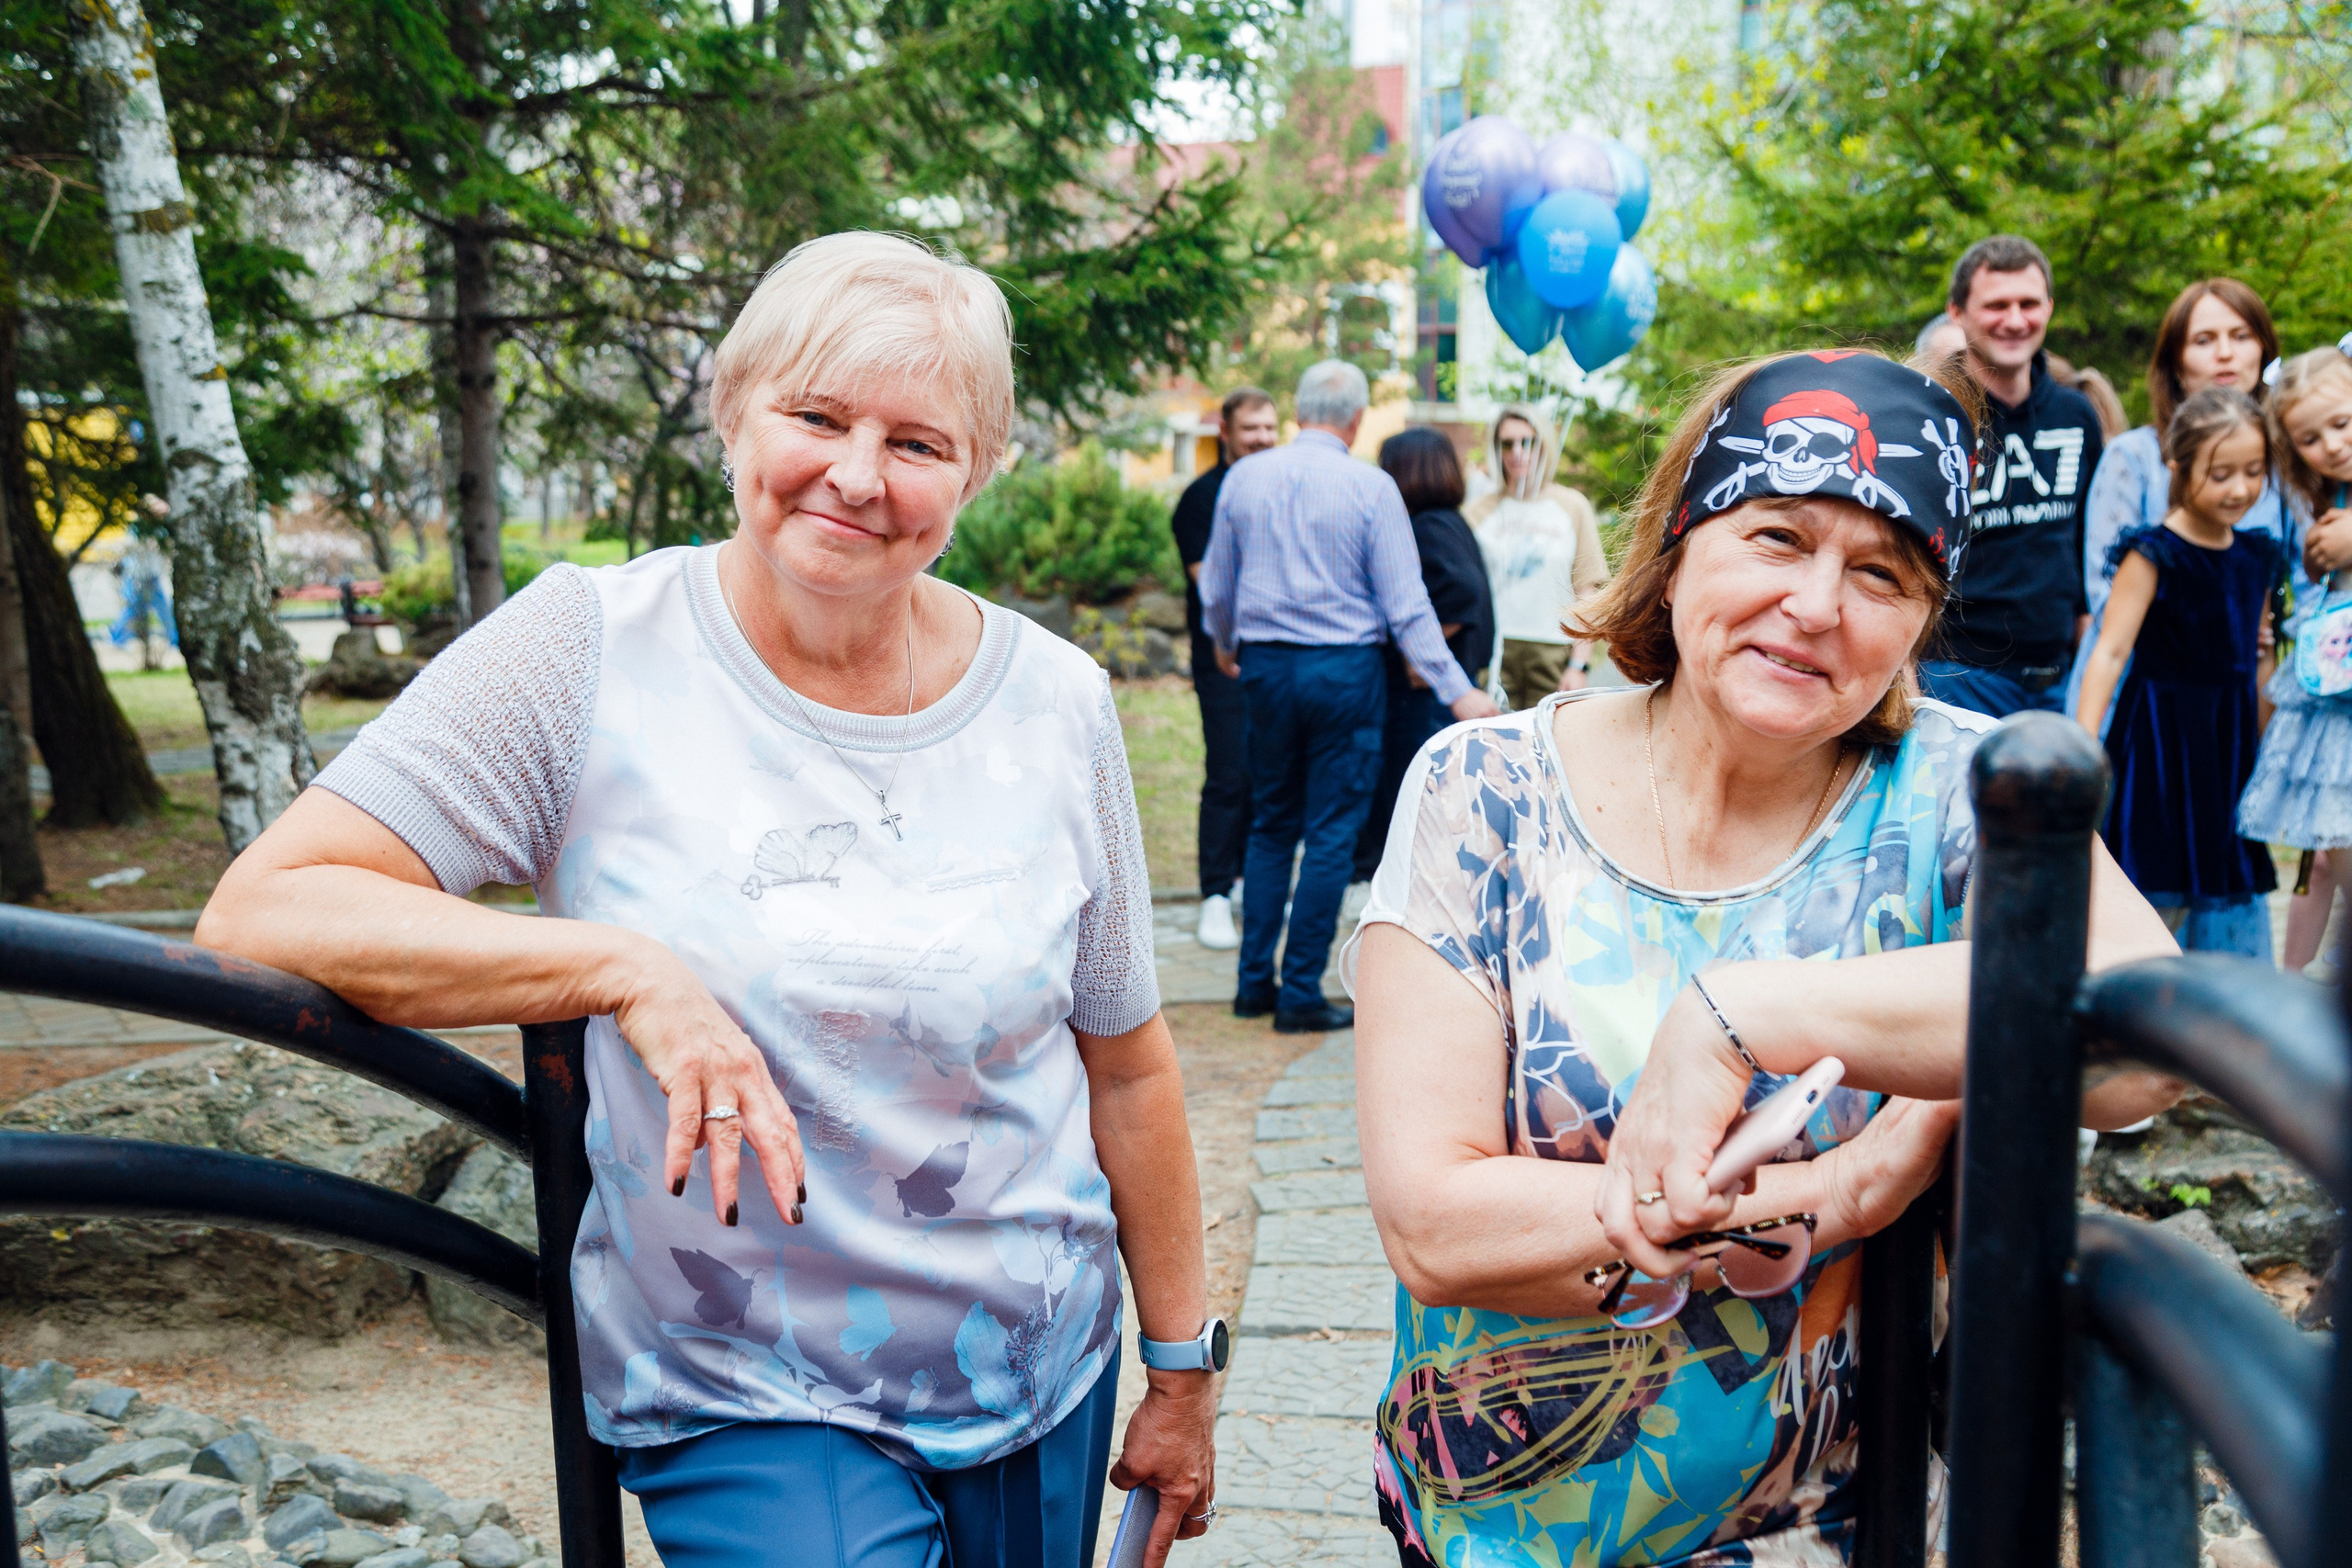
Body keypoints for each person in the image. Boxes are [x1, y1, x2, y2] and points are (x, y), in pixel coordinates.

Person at [195, 232, 1219, 1568]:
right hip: (745, 1375)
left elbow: (1126, 1066)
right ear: (734, 412)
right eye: (815, 417)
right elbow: (271, 904)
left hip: (1035, 1369)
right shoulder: (591, 650)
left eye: (917, 441)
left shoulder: (1057, 699)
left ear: (975, 470)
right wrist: (623, 969)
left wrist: (1184, 1370)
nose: (858, 475)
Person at [1346, 347, 2182, 1567]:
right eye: (1777, 537)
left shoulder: (1956, 786)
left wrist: (1749, 1011)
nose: (1816, 604)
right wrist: (1818, 1197)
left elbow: (2142, 1040)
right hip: (1510, 1525)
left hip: (1837, 1523)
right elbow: (1439, 1221)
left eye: (1880, 572)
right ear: (1681, 537)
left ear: (1920, 618)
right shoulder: (1485, 790)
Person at [1198, 359, 1498, 1035]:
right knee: (1331, 831)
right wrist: (1459, 691)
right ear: (1357, 420)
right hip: (1345, 672)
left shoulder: (1244, 477)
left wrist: (1224, 642)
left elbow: (1216, 581)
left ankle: (1254, 984)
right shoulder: (1371, 487)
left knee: (1271, 820)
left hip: (1268, 667)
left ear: (1299, 409)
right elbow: (1407, 605)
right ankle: (1301, 989)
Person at [2075, 388, 2279, 955]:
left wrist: (2260, 746)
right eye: (2220, 474)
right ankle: (2114, 1012)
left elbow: (2257, 658)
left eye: (2254, 471)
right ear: (2178, 467)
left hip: (2226, 747)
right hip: (2161, 745)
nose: (2239, 488)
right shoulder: (2152, 552)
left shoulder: (2258, 555)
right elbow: (2111, 650)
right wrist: (2085, 745)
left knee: (2208, 894)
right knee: (2151, 895)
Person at [2071, 280, 2285, 726]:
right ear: (2176, 366)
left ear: (2264, 352)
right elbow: (2107, 595)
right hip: (2143, 699)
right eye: (2204, 340)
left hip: (2236, 701)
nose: (2225, 353)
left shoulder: (2286, 463)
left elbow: (2297, 578)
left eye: (2241, 336)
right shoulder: (2133, 456)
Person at [1917, 234, 2107, 718]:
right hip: (1956, 675)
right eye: (1997, 305)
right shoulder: (1932, 416)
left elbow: (2087, 537)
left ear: (2049, 307)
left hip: (2060, 678)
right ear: (1957, 313)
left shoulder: (2076, 414)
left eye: (2029, 303)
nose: (2016, 320)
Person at [2240, 344, 2352, 974]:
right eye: (2311, 437)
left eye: (2343, 423)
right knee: (2335, 840)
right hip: (2336, 695)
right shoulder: (2329, 494)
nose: (2332, 445)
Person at [1354, 427, 1495, 878]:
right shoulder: (1449, 521)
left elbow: (1461, 591)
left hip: (1426, 694)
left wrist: (1419, 657)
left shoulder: (1428, 526)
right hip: (1442, 686)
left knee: (1409, 795)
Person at [1170, 387, 1280, 952]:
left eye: (1269, 428)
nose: (1262, 439)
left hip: (1280, 653)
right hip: (1224, 654)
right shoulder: (1200, 497)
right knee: (1230, 771)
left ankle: (1243, 883)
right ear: (1226, 434)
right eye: (1251, 429)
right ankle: (1214, 894)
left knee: (1271, 772)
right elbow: (1208, 583)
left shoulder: (1281, 489)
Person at [1463, 405, 1609, 708]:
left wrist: (1579, 665)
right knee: (1497, 748)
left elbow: (1586, 590)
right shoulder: (1476, 512)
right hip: (1493, 649)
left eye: (1527, 442)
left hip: (1553, 649)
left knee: (1549, 747)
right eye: (1507, 443)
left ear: (1544, 446)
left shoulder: (1572, 506)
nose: (1517, 452)